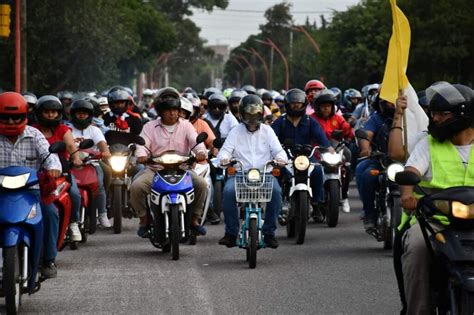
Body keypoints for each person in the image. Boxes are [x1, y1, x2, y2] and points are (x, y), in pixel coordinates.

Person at [399, 83, 473, 314]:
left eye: (443, 113)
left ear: (464, 114)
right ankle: (417, 311)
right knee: (417, 248)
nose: (436, 119)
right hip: (434, 220)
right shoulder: (428, 144)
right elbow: (411, 170)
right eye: (434, 113)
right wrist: (409, 189)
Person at [130, 87, 208, 238]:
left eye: (175, 109)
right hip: (155, 170)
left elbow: (196, 141)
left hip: (182, 169)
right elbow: (142, 145)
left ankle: (194, 220)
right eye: (168, 109)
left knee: (202, 184)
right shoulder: (149, 127)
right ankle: (144, 220)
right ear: (160, 111)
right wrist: (141, 155)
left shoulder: (186, 125)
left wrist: (200, 152)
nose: (172, 113)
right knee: (136, 187)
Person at [0, 92, 62, 278]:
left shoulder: (34, 135)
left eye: (16, 117)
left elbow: (51, 158)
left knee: (50, 212)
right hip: (1, 193)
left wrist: (54, 168)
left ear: (25, 116)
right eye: (5, 117)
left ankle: (48, 259)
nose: (11, 121)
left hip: (31, 192)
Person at [217, 94, 288, 248]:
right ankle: (231, 233)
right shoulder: (235, 131)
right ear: (242, 114)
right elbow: (225, 151)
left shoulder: (268, 131)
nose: (252, 117)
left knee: (276, 193)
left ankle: (269, 233)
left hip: (264, 175)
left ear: (261, 113)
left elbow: (278, 150)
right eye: (249, 113)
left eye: (255, 113)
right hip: (240, 174)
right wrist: (224, 159)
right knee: (228, 192)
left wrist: (281, 159)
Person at [271, 88, 331, 222]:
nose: (296, 106)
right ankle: (279, 204)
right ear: (287, 104)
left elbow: (322, 138)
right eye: (293, 103)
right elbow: (269, 138)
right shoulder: (281, 122)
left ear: (304, 104)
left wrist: (329, 148)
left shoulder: (310, 121)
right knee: (277, 173)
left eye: (299, 103)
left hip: (307, 157)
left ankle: (316, 204)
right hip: (285, 157)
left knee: (317, 171)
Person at [33, 95, 84, 242]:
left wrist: (76, 158)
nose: (51, 115)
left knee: (74, 193)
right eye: (47, 112)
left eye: (54, 112)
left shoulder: (63, 129)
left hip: (62, 171)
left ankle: (74, 223)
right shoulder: (33, 130)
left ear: (59, 113)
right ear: (39, 113)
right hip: (36, 173)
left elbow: (70, 146)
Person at [355, 93, 396, 229]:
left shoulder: (408, 118)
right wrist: (366, 149)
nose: (387, 105)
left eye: (390, 101)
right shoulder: (376, 118)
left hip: (403, 162)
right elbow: (366, 135)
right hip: (380, 160)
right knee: (366, 174)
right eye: (383, 102)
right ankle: (369, 213)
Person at [69, 99, 112, 228]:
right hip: (71, 163)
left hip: (92, 162)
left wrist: (105, 152)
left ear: (90, 115)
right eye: (79, 113)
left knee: (100, 183)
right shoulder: (67, 130)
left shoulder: (94, 130)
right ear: (73, 114)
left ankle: (103, 213)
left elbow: (102, 145)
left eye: (85, 113)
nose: (82, 116)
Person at [311, 90, 354, 213]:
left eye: (328, 106)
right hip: (317, 150)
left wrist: (348, 129)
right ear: (317, 107)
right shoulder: (311, 119)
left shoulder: (338, 118)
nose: (326, 109)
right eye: (323, 107)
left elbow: (348, 132)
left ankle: (344, 195)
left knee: (348, 154)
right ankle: (312, 200)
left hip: (336, 149)